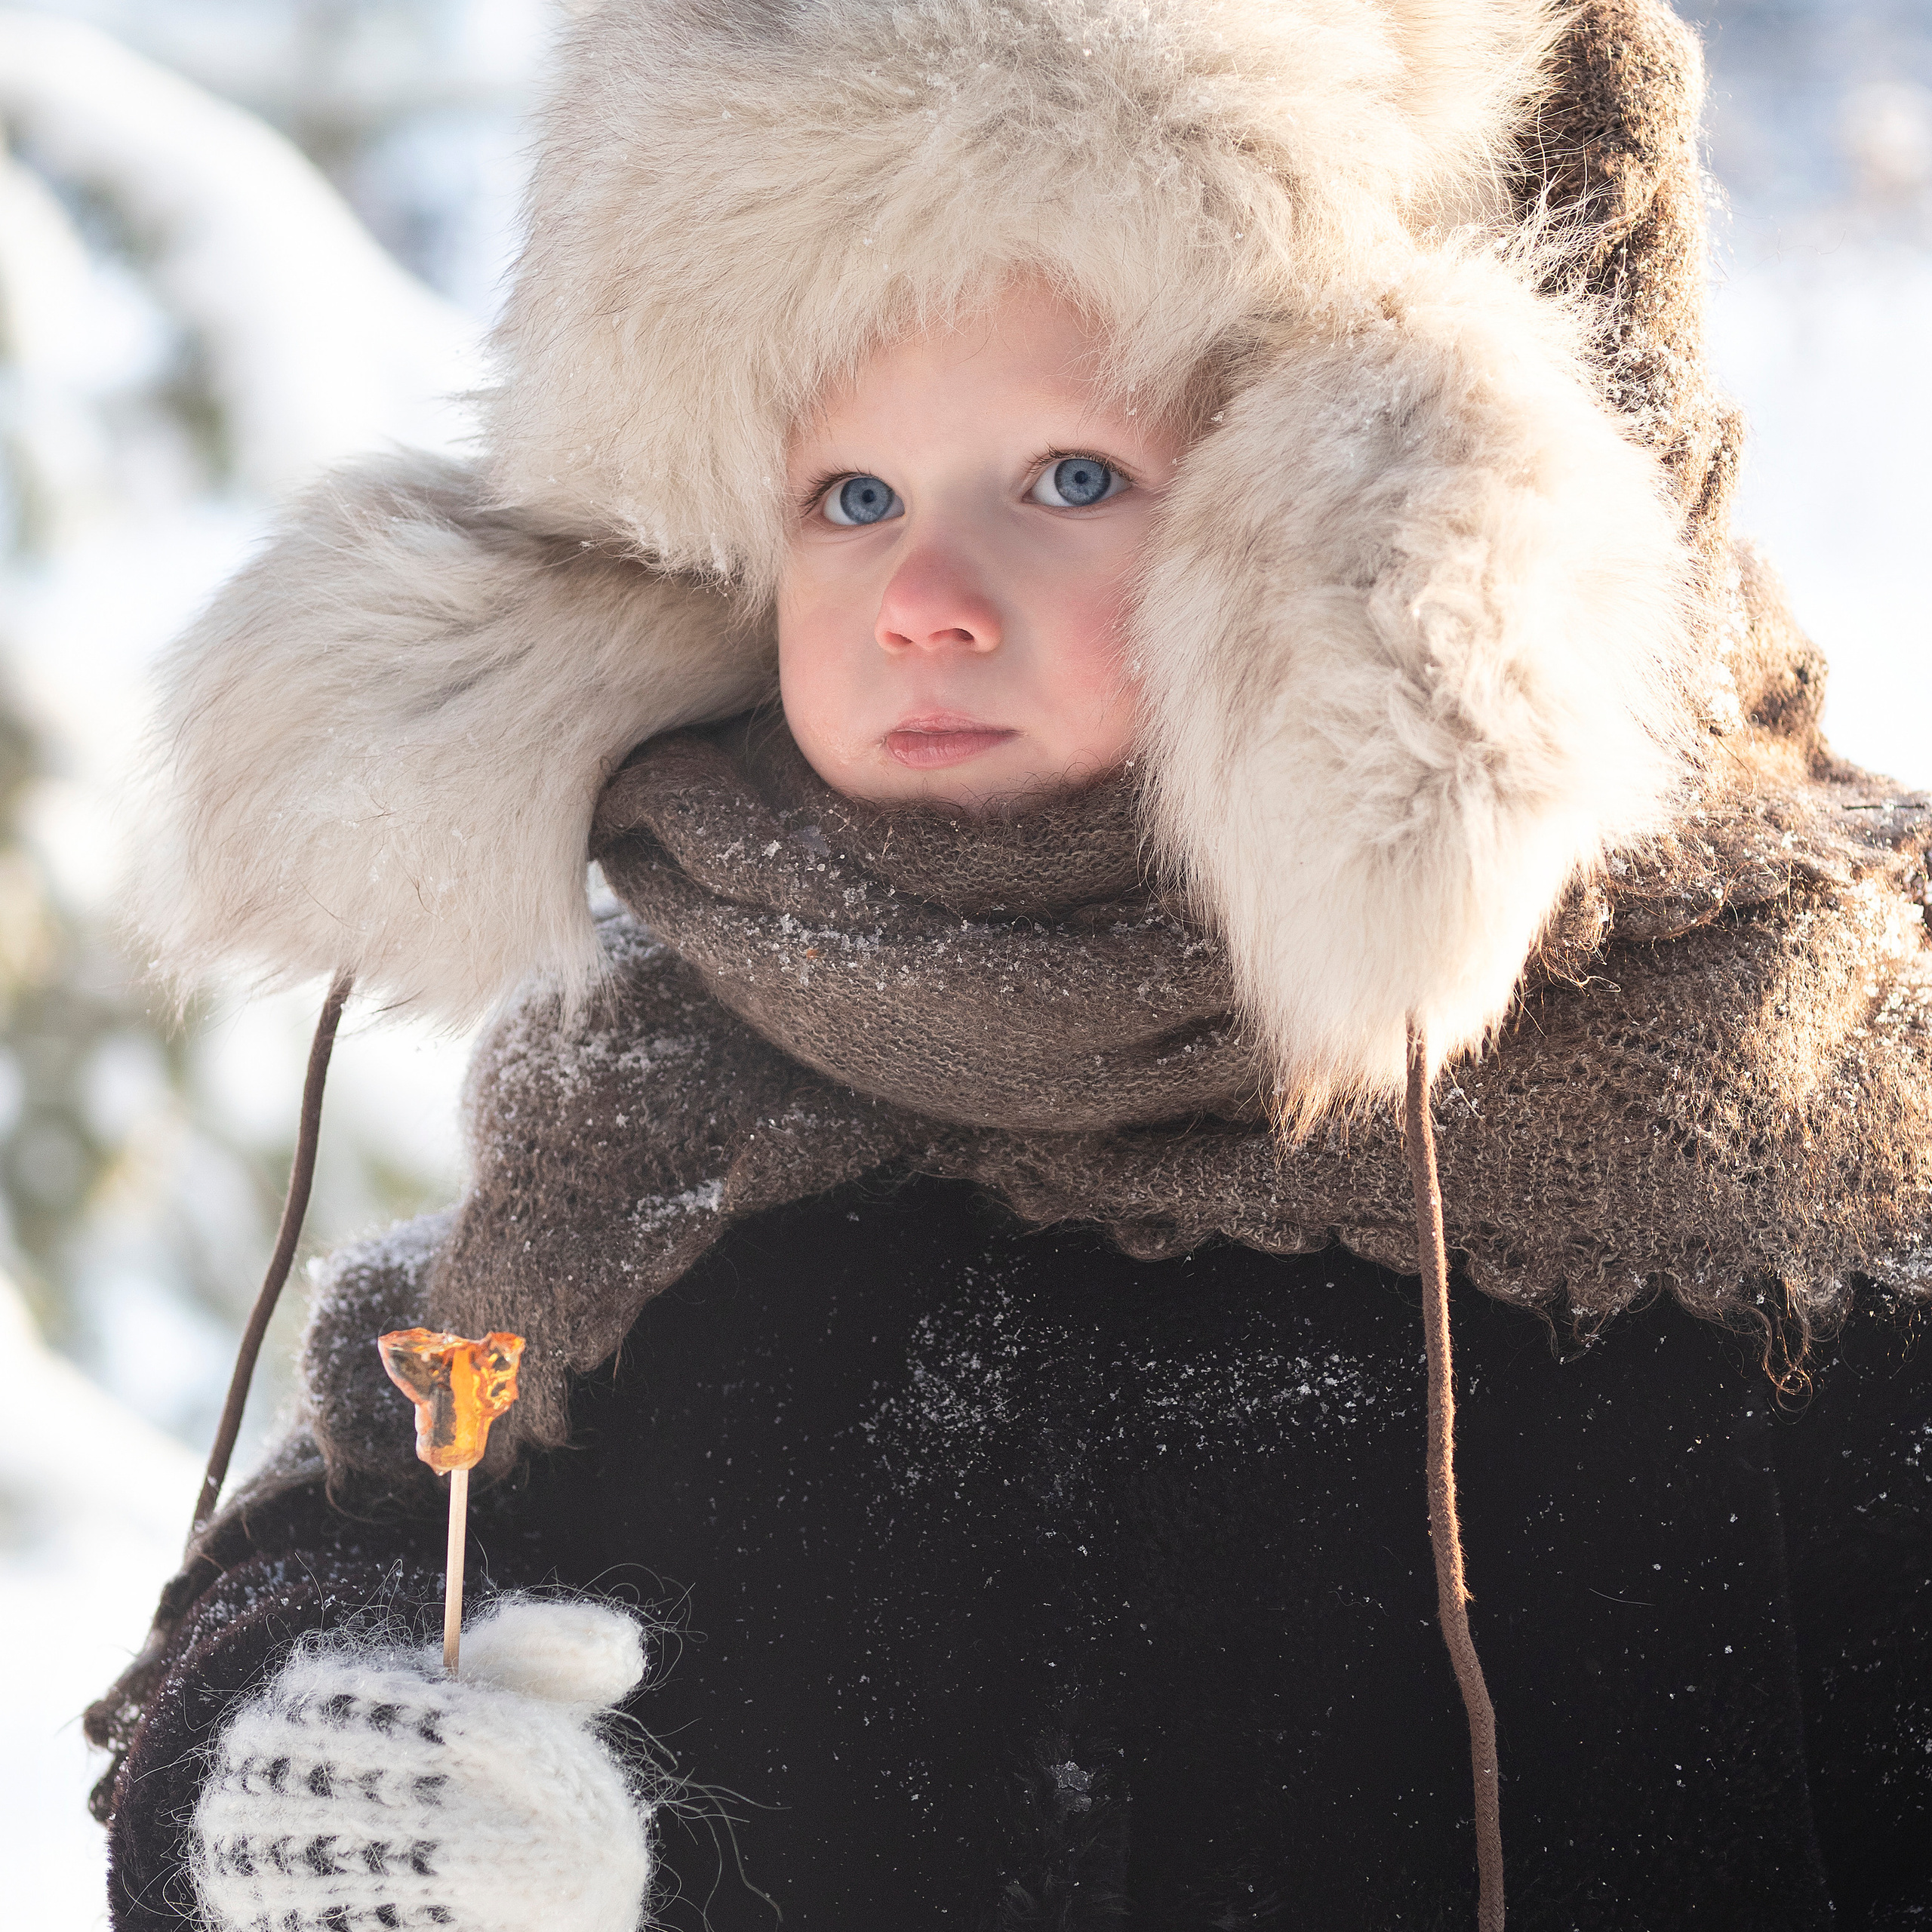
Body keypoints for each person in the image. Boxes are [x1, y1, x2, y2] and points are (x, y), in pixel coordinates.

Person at [90, 2, 1932, 1927]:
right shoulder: (668, 1087)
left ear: (1375, 519)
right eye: (849, 498)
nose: (924, 601)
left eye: (1066, 478)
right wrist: (312, 1786)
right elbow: (353, 1550)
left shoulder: (1787, 1094)